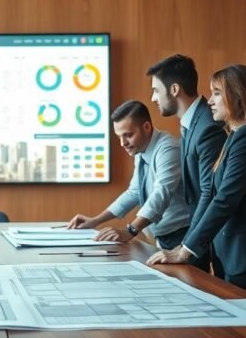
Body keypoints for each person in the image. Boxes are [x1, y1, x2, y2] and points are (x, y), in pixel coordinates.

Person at [147, 64, 246, 295]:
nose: (210, 101)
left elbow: (225, 198)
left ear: (237, 97)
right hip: (235, 253)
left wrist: (185, 250)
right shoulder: (236, 135)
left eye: (217, 93)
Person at [67, 101, 192, 249]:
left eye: (128, 135)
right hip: (164, 236)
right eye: (119, 136)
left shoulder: (168, 148)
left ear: (146, 127)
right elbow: (134, 192)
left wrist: (130, 230)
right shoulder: (140, 148)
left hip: (182, 235)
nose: (122, 143)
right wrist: (95, 221)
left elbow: (161, 193)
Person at [147, 54, 227, 274]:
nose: (153, 98)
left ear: (174, 90)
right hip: (203, 237)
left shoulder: (207, 126)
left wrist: (185, 248)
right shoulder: (194, 122)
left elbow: (208, 192)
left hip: (217, 243)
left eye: (156, 90)